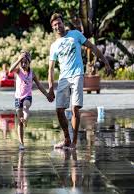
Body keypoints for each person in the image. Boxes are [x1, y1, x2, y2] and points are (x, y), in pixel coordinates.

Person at [48, 13, 112, 150]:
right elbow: (51, 69)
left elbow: (92, 47)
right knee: (59, 110)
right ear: (52, 28)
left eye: (59, 23)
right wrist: (50, 87)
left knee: (74, 107)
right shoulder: (54, 46)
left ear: (63, 23)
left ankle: (74, 142)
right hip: (63, 78)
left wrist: (105, 62)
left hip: (77, 74)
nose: (57, 26)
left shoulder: (75, 34)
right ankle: (66, 139)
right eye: (54, 25)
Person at [9, 50, 52, 150]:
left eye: (25, 62)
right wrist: (18, 59)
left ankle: (26, 119)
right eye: (22, 62)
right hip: (17, 97)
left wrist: (47, 94)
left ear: (29, 62)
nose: (23, 64)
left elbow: (39, 85)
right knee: (19, 121)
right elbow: (10, 70)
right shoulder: (18, 71)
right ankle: (21, 143)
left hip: (27, 96)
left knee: (26, 106)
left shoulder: (32, 73)